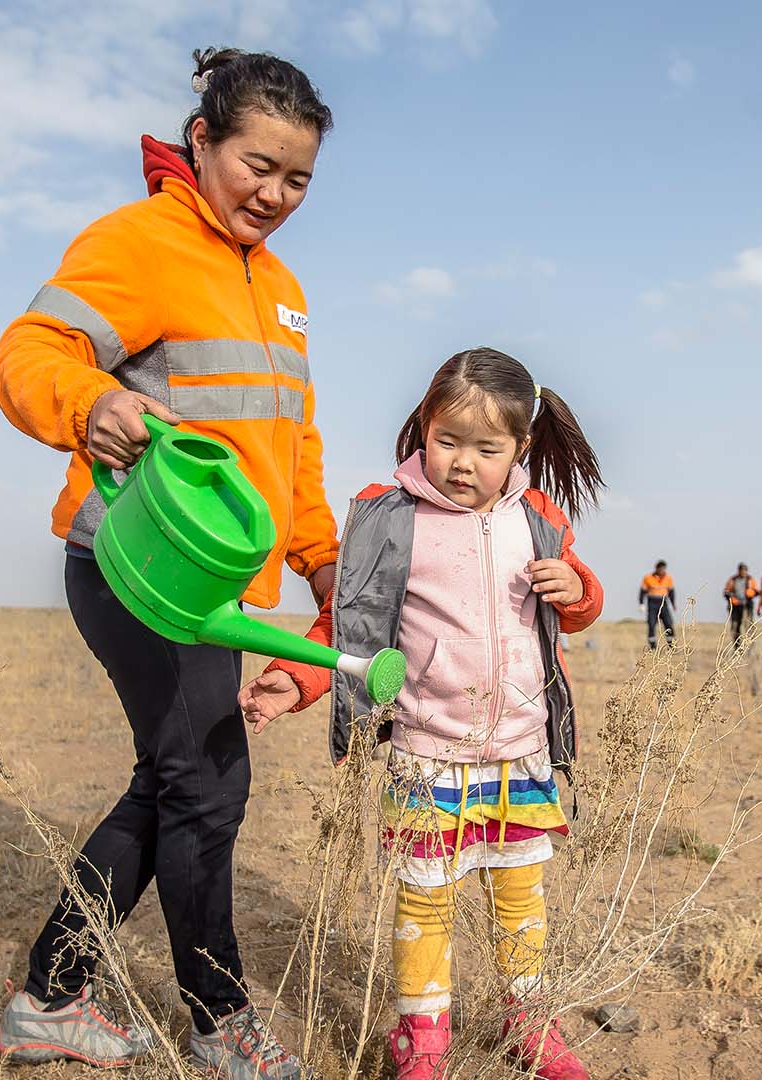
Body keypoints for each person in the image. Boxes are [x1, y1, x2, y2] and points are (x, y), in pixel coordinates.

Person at [0, 48, 334, 1075]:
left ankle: (51, 996)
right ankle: (222, 1026)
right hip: (133, 566)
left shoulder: (282, 288)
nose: (274, 193)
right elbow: (29, 350)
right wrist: (91, 403)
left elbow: (291, 445)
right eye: (258, 165)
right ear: (201, 143)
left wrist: (320, 559)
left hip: (212, 587)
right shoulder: (140, 242)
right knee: (208, 787)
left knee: (176, 776)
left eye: (298, 179)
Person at [239, 347, 603, 1080]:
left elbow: (580, 605)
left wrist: (577, 588)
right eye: (447, 440)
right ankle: (421, 1039)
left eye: (486, 448)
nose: (462, 462)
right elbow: (348, 624)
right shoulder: (391, 518)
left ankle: (526, 1020)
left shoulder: (536, 517)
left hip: (520, 750)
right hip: (426, 754)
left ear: (519, 450)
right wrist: (292, 681)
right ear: (423, 428)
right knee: (426, 902)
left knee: (520, 895)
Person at [639, 560, 676, 649]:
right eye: (660, 568)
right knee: (651, 624)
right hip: (652, 603)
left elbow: (671, 592)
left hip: (663, 602)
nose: (661, 570)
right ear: (657, 568)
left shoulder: (668, 578)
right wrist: (641, 603)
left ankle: (671, 645)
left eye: (663, 568)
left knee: (669, 623)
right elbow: (642, 592)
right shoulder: (648, 578)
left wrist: (673, 604)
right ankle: (652, 646)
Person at [723, 562, 758, 642]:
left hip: (746, 606)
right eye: (741, 570)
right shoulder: (733, 580)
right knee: (735, 626)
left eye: (744, 570)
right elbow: (726, 592)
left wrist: (751, 593)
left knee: (748, 626)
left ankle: (749, 645)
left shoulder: (750, 580)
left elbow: (757, 591)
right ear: (738, 571)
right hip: (735, 607)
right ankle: (737, 646)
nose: (743, 572)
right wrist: (731, 598)